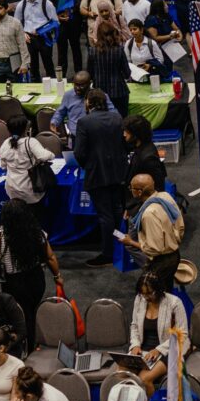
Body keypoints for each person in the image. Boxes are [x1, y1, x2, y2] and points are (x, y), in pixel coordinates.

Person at [0, 201, 61, 353]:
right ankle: (33, 340)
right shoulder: (37, 233)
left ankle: (28, 347)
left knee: (21, 315)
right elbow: (50, 257)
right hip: (36, 279)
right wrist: (57, 276)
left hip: (13, 283)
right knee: (31, 309)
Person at [74, 89, 127, 269]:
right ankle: (122, 245)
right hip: (119, 172)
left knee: (105, 215)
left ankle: (108, 253)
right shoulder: (117, 118)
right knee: (118, 210)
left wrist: (88, 166)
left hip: (97, 175)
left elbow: (79, 153)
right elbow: (124, 144)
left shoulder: (84, 122)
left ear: (88, 103)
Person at [118, 174, 183, 293]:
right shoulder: (166, 196)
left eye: (131, 188)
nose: (130, 190)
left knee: (153, 297)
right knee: (167, 293)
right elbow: (180, 224)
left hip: (161, 263)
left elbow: (155, 248)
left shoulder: (149, 214)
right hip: (175, 255)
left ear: (138, 192)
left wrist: (130, 242)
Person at [128, 271, 189, 397]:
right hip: (142, 352)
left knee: (143, 379)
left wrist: (158, 350)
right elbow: (134, 325)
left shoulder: (174, 303)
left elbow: (182, 334)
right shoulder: (140, 299)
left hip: (168, 351)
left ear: (159, 289)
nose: (146, 297)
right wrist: (135, 345)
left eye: (150, 293)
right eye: (143, 293)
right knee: (121, 375)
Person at [0, 115, 54, 222]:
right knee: (35, 220)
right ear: (25, 128)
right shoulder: (30, 142)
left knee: (19, 221)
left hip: (12, 189)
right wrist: (50, 153)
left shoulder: (5, 143)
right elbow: (44, 156)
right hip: (30, 189)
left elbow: (3, 166)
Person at [13, 0, 57, 80]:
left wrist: (44, 30)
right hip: (29, 38)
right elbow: (16, 24)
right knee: (33, 68)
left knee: (49, 65)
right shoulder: (21, 5)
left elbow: (55, 22)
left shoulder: (47, 4)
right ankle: (35, 89)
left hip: (44, 37)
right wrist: (23, 34)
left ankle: (53, 90)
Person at [49, 71, 116, 139]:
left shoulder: (100, 96)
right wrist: (54, 122)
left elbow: (113, 113)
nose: (78, 88)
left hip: (95, 136)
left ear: (89, 83)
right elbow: (60, 112)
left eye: (81, 85)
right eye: (76, 84)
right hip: (75, 136)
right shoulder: (68, 95)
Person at [87, 22, 130, 116]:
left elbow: (89, 73)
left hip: (99, 93)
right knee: (121, 121)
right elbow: (127, 73)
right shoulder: (119, 50)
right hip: (119, 91)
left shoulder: (92, 51)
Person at [122, 115, 166, 198]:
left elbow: (158, 187)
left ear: (135, 134)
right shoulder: (140, 146)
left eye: (127, 131)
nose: (124, 134)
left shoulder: (148, 158)